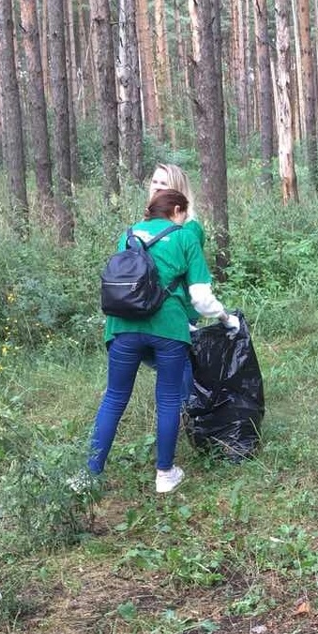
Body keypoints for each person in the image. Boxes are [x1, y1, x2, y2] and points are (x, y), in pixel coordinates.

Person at [81, 189, 239, 493]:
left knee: (114, 397)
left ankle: (89, 473)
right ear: (177, 210)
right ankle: (165, 474)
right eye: (184, 213)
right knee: (167, 399)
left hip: (122, 326)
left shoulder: (128, 234)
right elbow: (201, 299)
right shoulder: (184, 237)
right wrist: (225, 319)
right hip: (168, 328)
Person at [147, 164, 203, 399]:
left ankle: (187, 411)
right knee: (166, 361)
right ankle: (181, 403)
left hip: (176, 307)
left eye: (164, 183)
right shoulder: (148, 223)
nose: (157, 187)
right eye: (155, 182)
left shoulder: (190, 228)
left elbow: (189, 273)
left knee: (180, 364)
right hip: (151, 305)